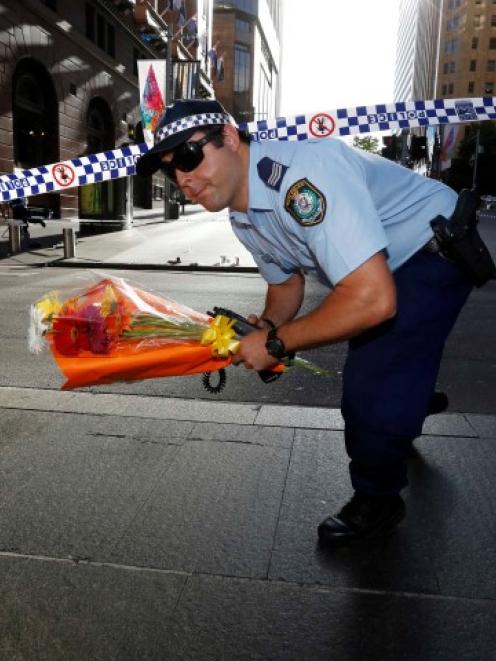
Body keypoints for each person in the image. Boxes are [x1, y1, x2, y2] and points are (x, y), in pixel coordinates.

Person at [137, 99, 475, 546]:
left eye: (188, 156)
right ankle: (408, 393)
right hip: (380, 265)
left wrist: (277, 345)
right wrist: (266, 326)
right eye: (170, 170)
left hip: (430, 246)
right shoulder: (243, 214)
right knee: (396, 362)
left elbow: (372, 300)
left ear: (231, 137)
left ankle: (379, 497)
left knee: (370, 383)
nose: (182, 178)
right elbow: (285, 286)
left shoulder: (300, 178)